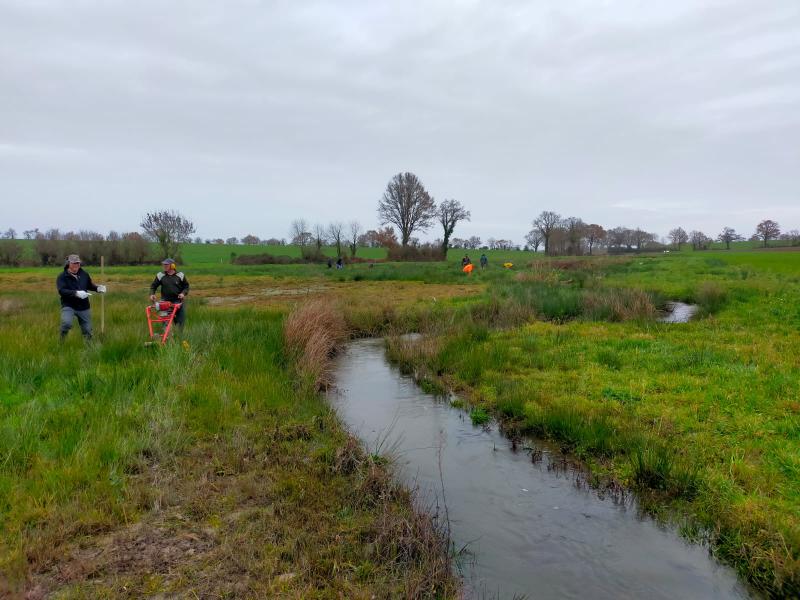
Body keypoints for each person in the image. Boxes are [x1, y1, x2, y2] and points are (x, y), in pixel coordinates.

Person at [56, 254, 106, 341]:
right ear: (69, 263)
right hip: (69, 305)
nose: (76, 265)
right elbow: (62, 291)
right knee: (67, 323)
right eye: (74, 263)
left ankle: (90, 349)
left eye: (78, 263)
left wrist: (98, 288)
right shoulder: (62, 277)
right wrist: (75, 293)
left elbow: (89, 286)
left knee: (87, 331)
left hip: (83, 306)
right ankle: (62, 338)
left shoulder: (84, 274)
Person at [149, 258, 190, 328]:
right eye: (163, 264)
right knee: (166, 324)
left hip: (178, 302)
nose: (164, 266)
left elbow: (186, 286)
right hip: (165, 303)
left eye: (166, 265)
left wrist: (183, 293)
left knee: (180, 323)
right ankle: (167, 337)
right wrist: (152, 294)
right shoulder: (160, 275)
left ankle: (179, 337)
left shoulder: (180, 275)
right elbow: (153, 286)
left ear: (172, 266)